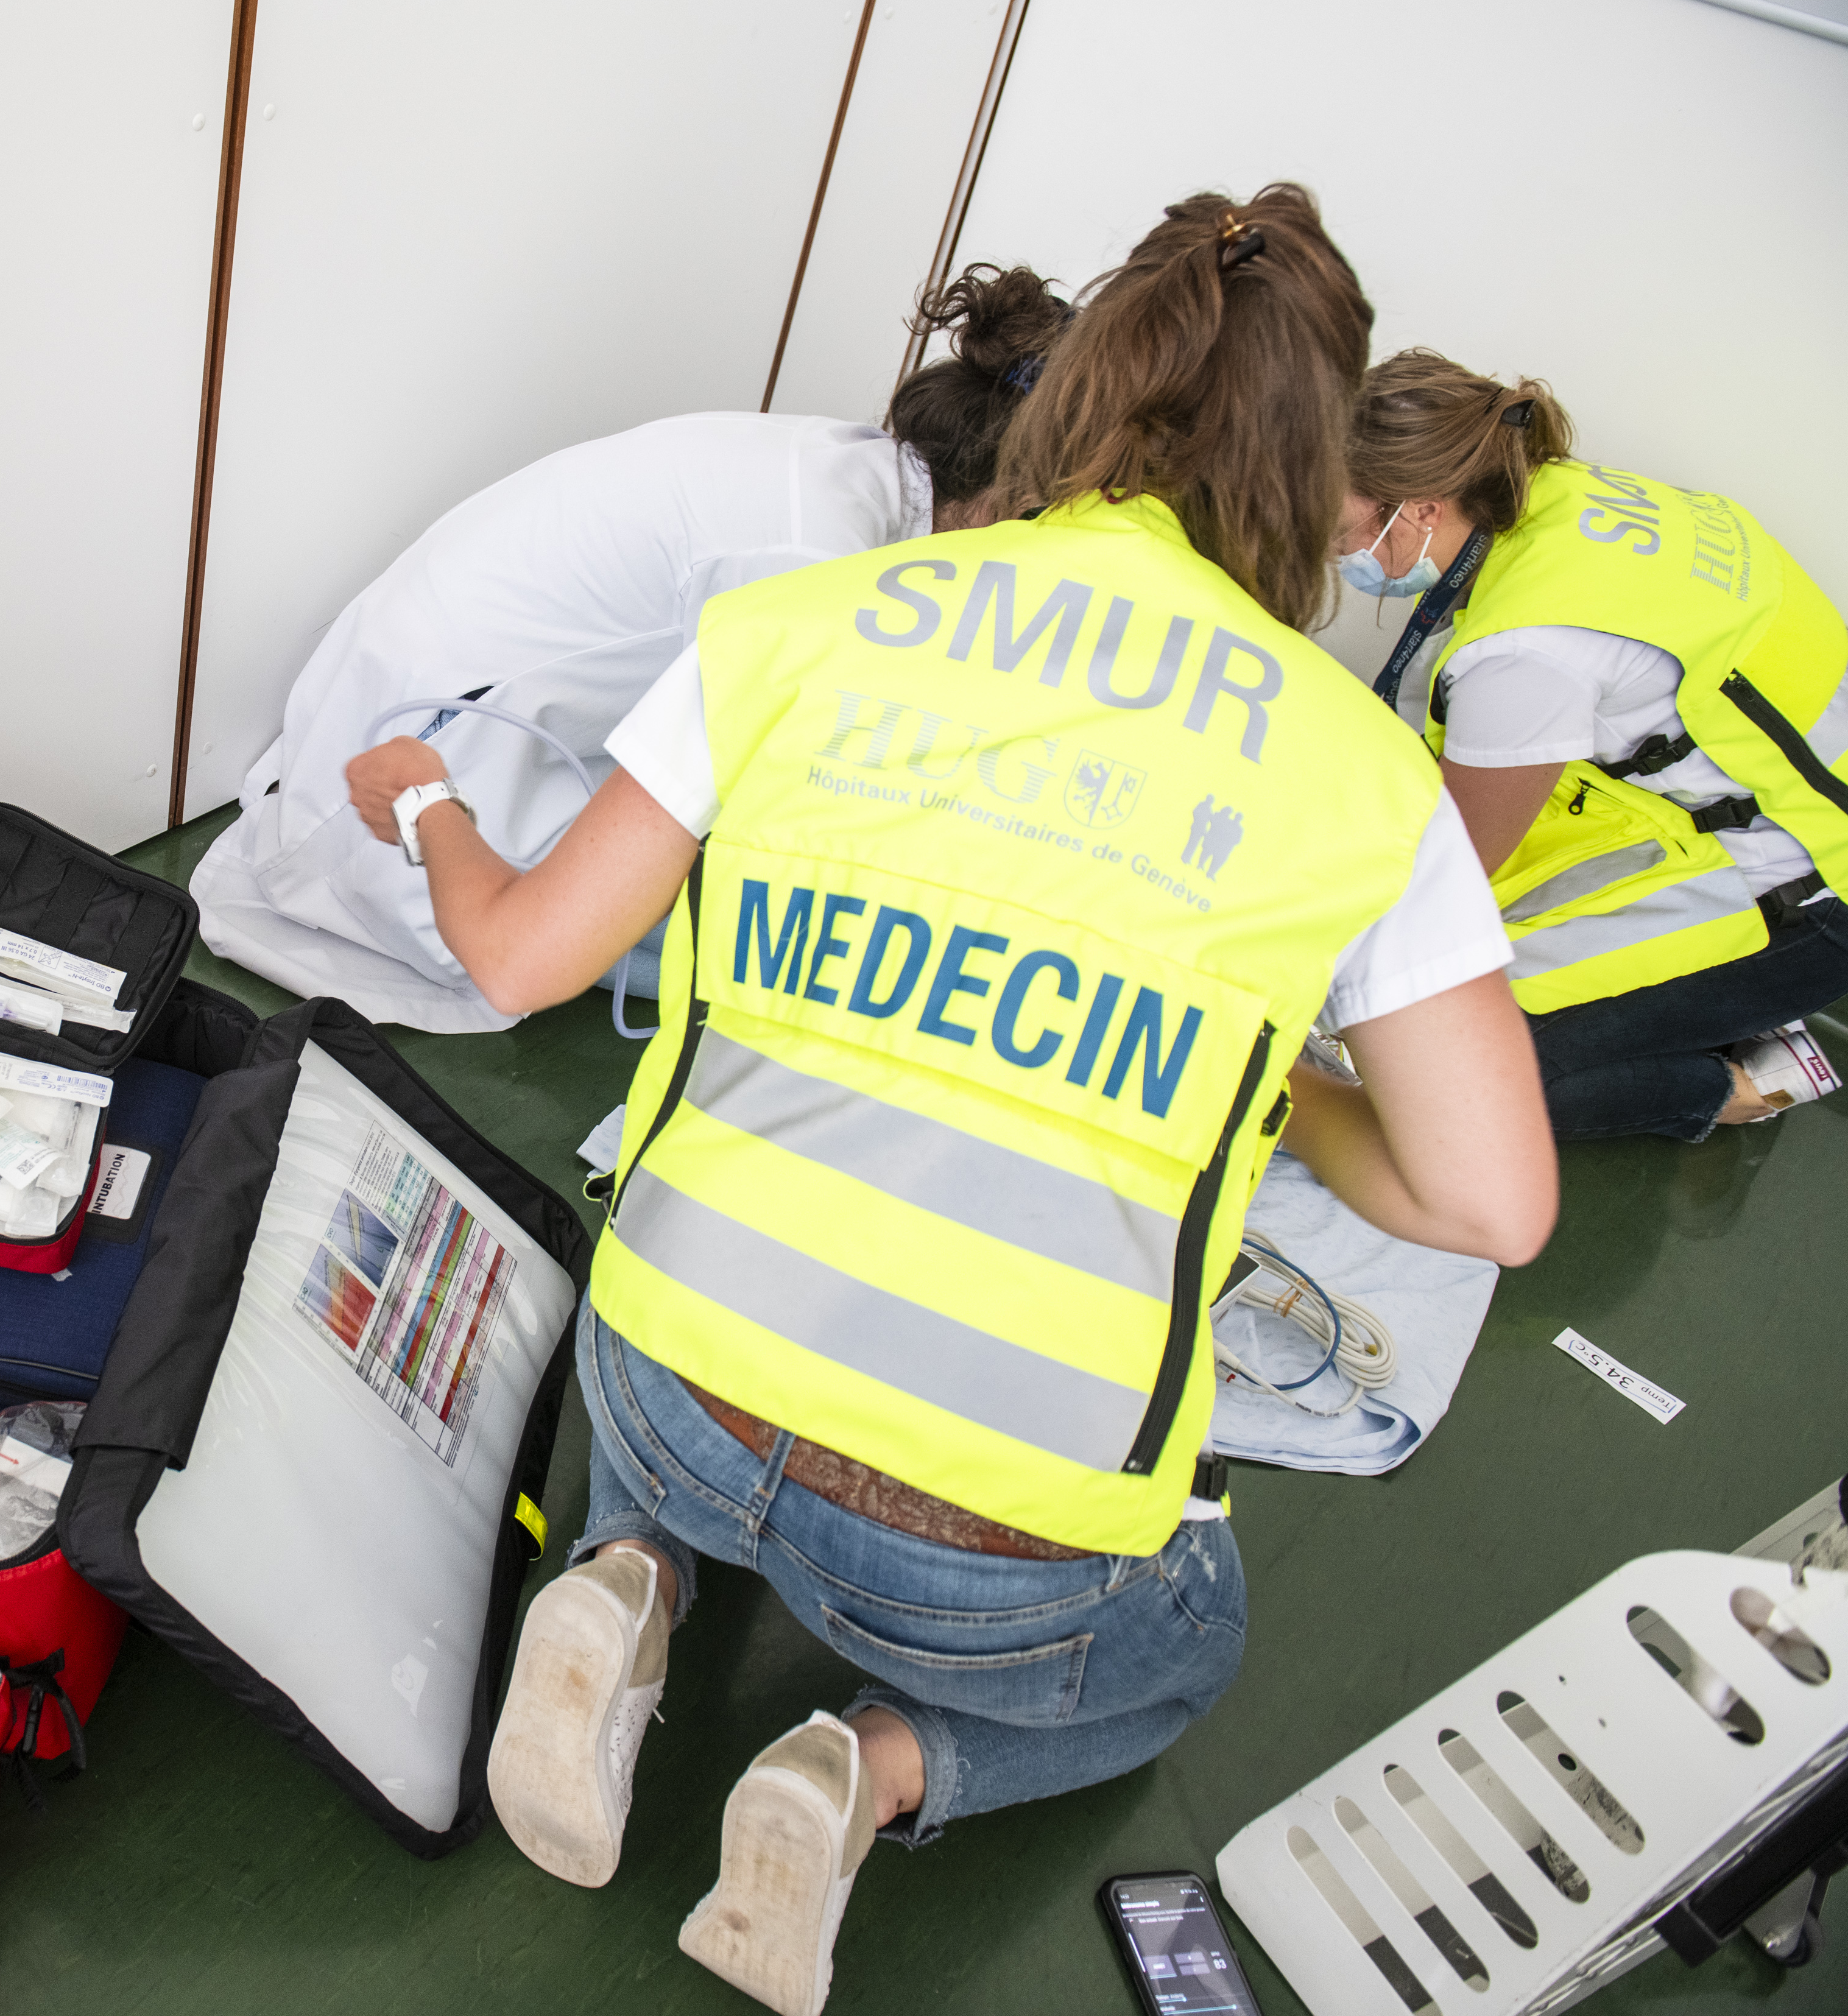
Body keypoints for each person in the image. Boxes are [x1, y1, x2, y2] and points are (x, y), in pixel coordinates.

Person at [344, 187, 1556, 2014]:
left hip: (671, 1389)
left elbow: (517, 959)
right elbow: (1492, 1204)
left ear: (1082, 388)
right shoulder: (1364, 777)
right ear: (1320, 473)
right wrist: (1276, 1083)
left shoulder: (801, 625)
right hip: (987, 1545)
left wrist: (431, 804)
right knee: (1179, 1641)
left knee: (684, 1350)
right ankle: (865, 1767)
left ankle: (625, 1573)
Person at [193, 265, 1074, 1033]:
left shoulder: (850, 475)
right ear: (1020, 496)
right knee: (795, 948)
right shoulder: (814, 554)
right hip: (407, 794)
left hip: (431, 715)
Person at [1340, 351, 1848, 1140]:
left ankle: (1738, 1084)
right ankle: (1678, 1012)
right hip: (1746, 802)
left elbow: (1451, 874)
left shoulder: (1527, 649)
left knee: (1443, 1077)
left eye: (1338, 525)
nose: (1330, 548)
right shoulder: (1559, 495)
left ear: (1422, 510)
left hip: (1806, 900)